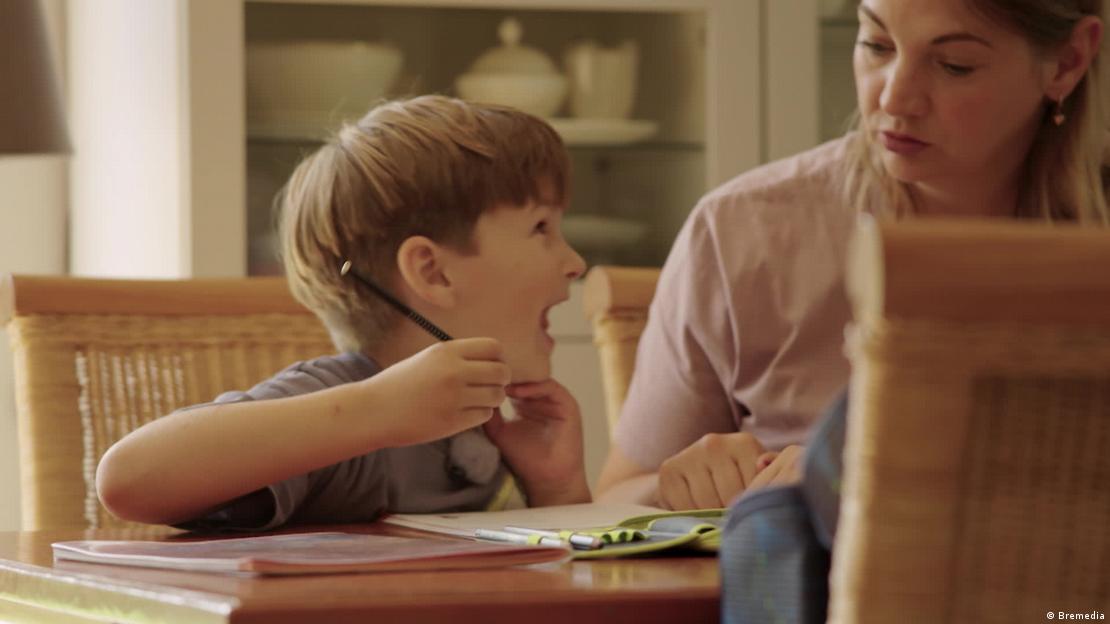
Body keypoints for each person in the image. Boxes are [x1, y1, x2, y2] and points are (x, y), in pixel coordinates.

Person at [597, 0, 1108, 510]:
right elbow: (617, 498)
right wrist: (682, 485)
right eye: (877, 45)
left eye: (955, 65)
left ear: (1067, 62)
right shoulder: (742, 230)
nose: (895, 96)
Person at [95, 95, 589, 529]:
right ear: (432, 272)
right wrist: (377, 410)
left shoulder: (490, 427)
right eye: (541, 228)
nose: (575, 263)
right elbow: (128, 479)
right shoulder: (350, 407)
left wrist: (557, 488)